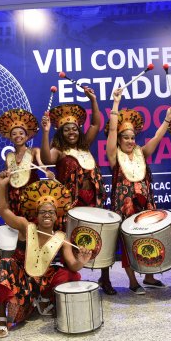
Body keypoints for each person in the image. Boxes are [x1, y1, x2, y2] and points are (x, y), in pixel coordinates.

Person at [0, 174, 91, 338]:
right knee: (4, 264)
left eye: (51, 212)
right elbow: (3, 210)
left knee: (72, 274)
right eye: (43, 211)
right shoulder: (25, 226)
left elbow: (72, 264)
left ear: (56, 216)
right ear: (37, 213)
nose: (47, 214)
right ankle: (2, 316)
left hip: (42, 281)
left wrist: (81, 261)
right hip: (20, 277)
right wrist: (2, 185)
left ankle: (45, 301)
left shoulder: (62, 238)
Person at [40, 87, 114, 294]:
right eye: (66, 129)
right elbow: (46, 159)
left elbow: (97, 123)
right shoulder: (59, 151)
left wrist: (93, 100)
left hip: (93, 202)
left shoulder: (85, 146)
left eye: (74, 129)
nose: (71, 132)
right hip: (72, 205)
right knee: (70, 241)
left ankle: (105, 278)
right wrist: (45, 133)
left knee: (100, 237)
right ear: (61, 133)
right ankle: (70, 277)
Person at [106, 87, 171, 294]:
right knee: (128, 242)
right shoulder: (114, 156)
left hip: (145, 205)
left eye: (132, 137)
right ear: (119, 139)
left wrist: (167, 119)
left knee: (149, 238)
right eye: (125, 137)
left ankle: (149, 276)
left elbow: (156, 137)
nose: (130, 141)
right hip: (124, 208)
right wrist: (116, 103)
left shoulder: (141, 153)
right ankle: (132, 281)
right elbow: (111, 130)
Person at [0, 108, 55, 216]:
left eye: (21, 133)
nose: (18, 136)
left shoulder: (34, 151)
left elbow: (41, 165)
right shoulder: (9, 156)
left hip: (31, 194)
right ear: (10, 137)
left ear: (27, 136)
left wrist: (47, 171)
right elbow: (9, 175)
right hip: (13, 195)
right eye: (14, 134)